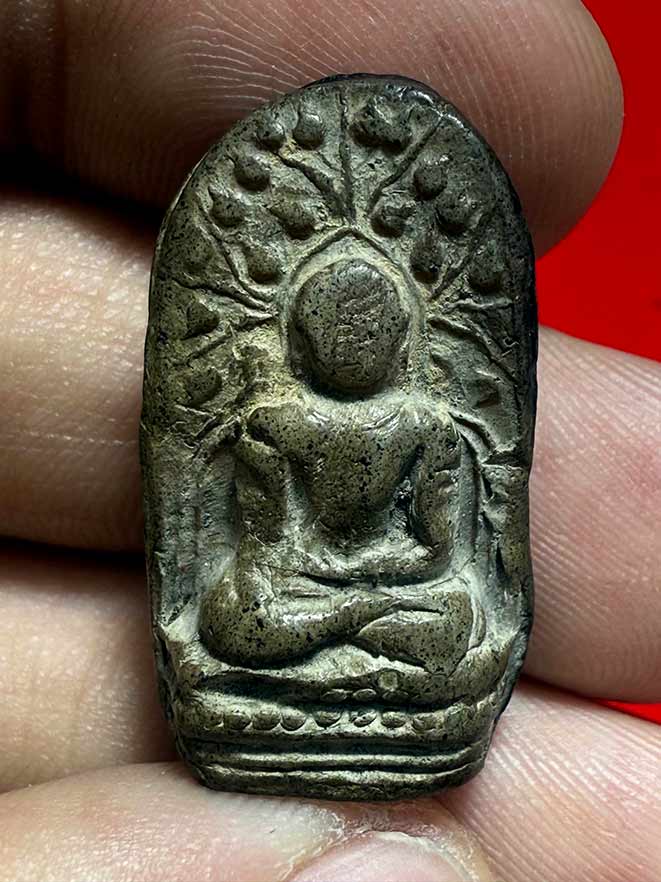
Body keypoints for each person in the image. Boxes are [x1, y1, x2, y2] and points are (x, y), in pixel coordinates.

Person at [0, 1, 659, 880]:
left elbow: (436, 553)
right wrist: (338, 598)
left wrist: (363, 586)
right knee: (232, 616)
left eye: (369, 332)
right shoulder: (272, 424)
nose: (351, 347)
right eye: (331, 331)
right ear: (300, 338)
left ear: (400, 339)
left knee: (451, 619)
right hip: (307, 589)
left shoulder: (426, 427)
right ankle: (351, 676)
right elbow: (266, 548)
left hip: (387, 592)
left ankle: (340, 678)